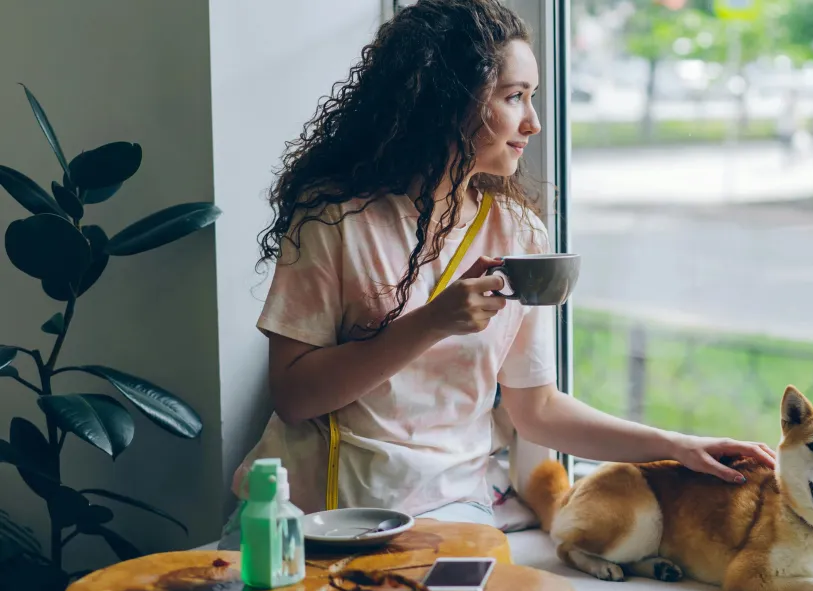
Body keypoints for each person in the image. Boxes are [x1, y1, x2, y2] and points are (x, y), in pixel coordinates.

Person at [221, 0, 774, 548]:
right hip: (312, 511)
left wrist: (675, 445)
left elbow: (537, 411)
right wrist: (430, 323)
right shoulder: (335, 219)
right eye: (514, 97)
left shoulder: (518, 235)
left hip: (447, 508)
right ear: (447, 102)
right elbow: (293, 395)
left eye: (531, 98)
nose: (533, 123)